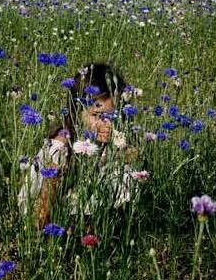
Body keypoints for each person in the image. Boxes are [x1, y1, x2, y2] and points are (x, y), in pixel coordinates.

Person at [17, 61, 142, 226]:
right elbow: (38, 214)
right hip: (56, 221)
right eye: (97, 115)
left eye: (114, 115)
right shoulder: (60, 148)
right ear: (77, 111)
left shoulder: (111, 143)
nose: (108, 124)